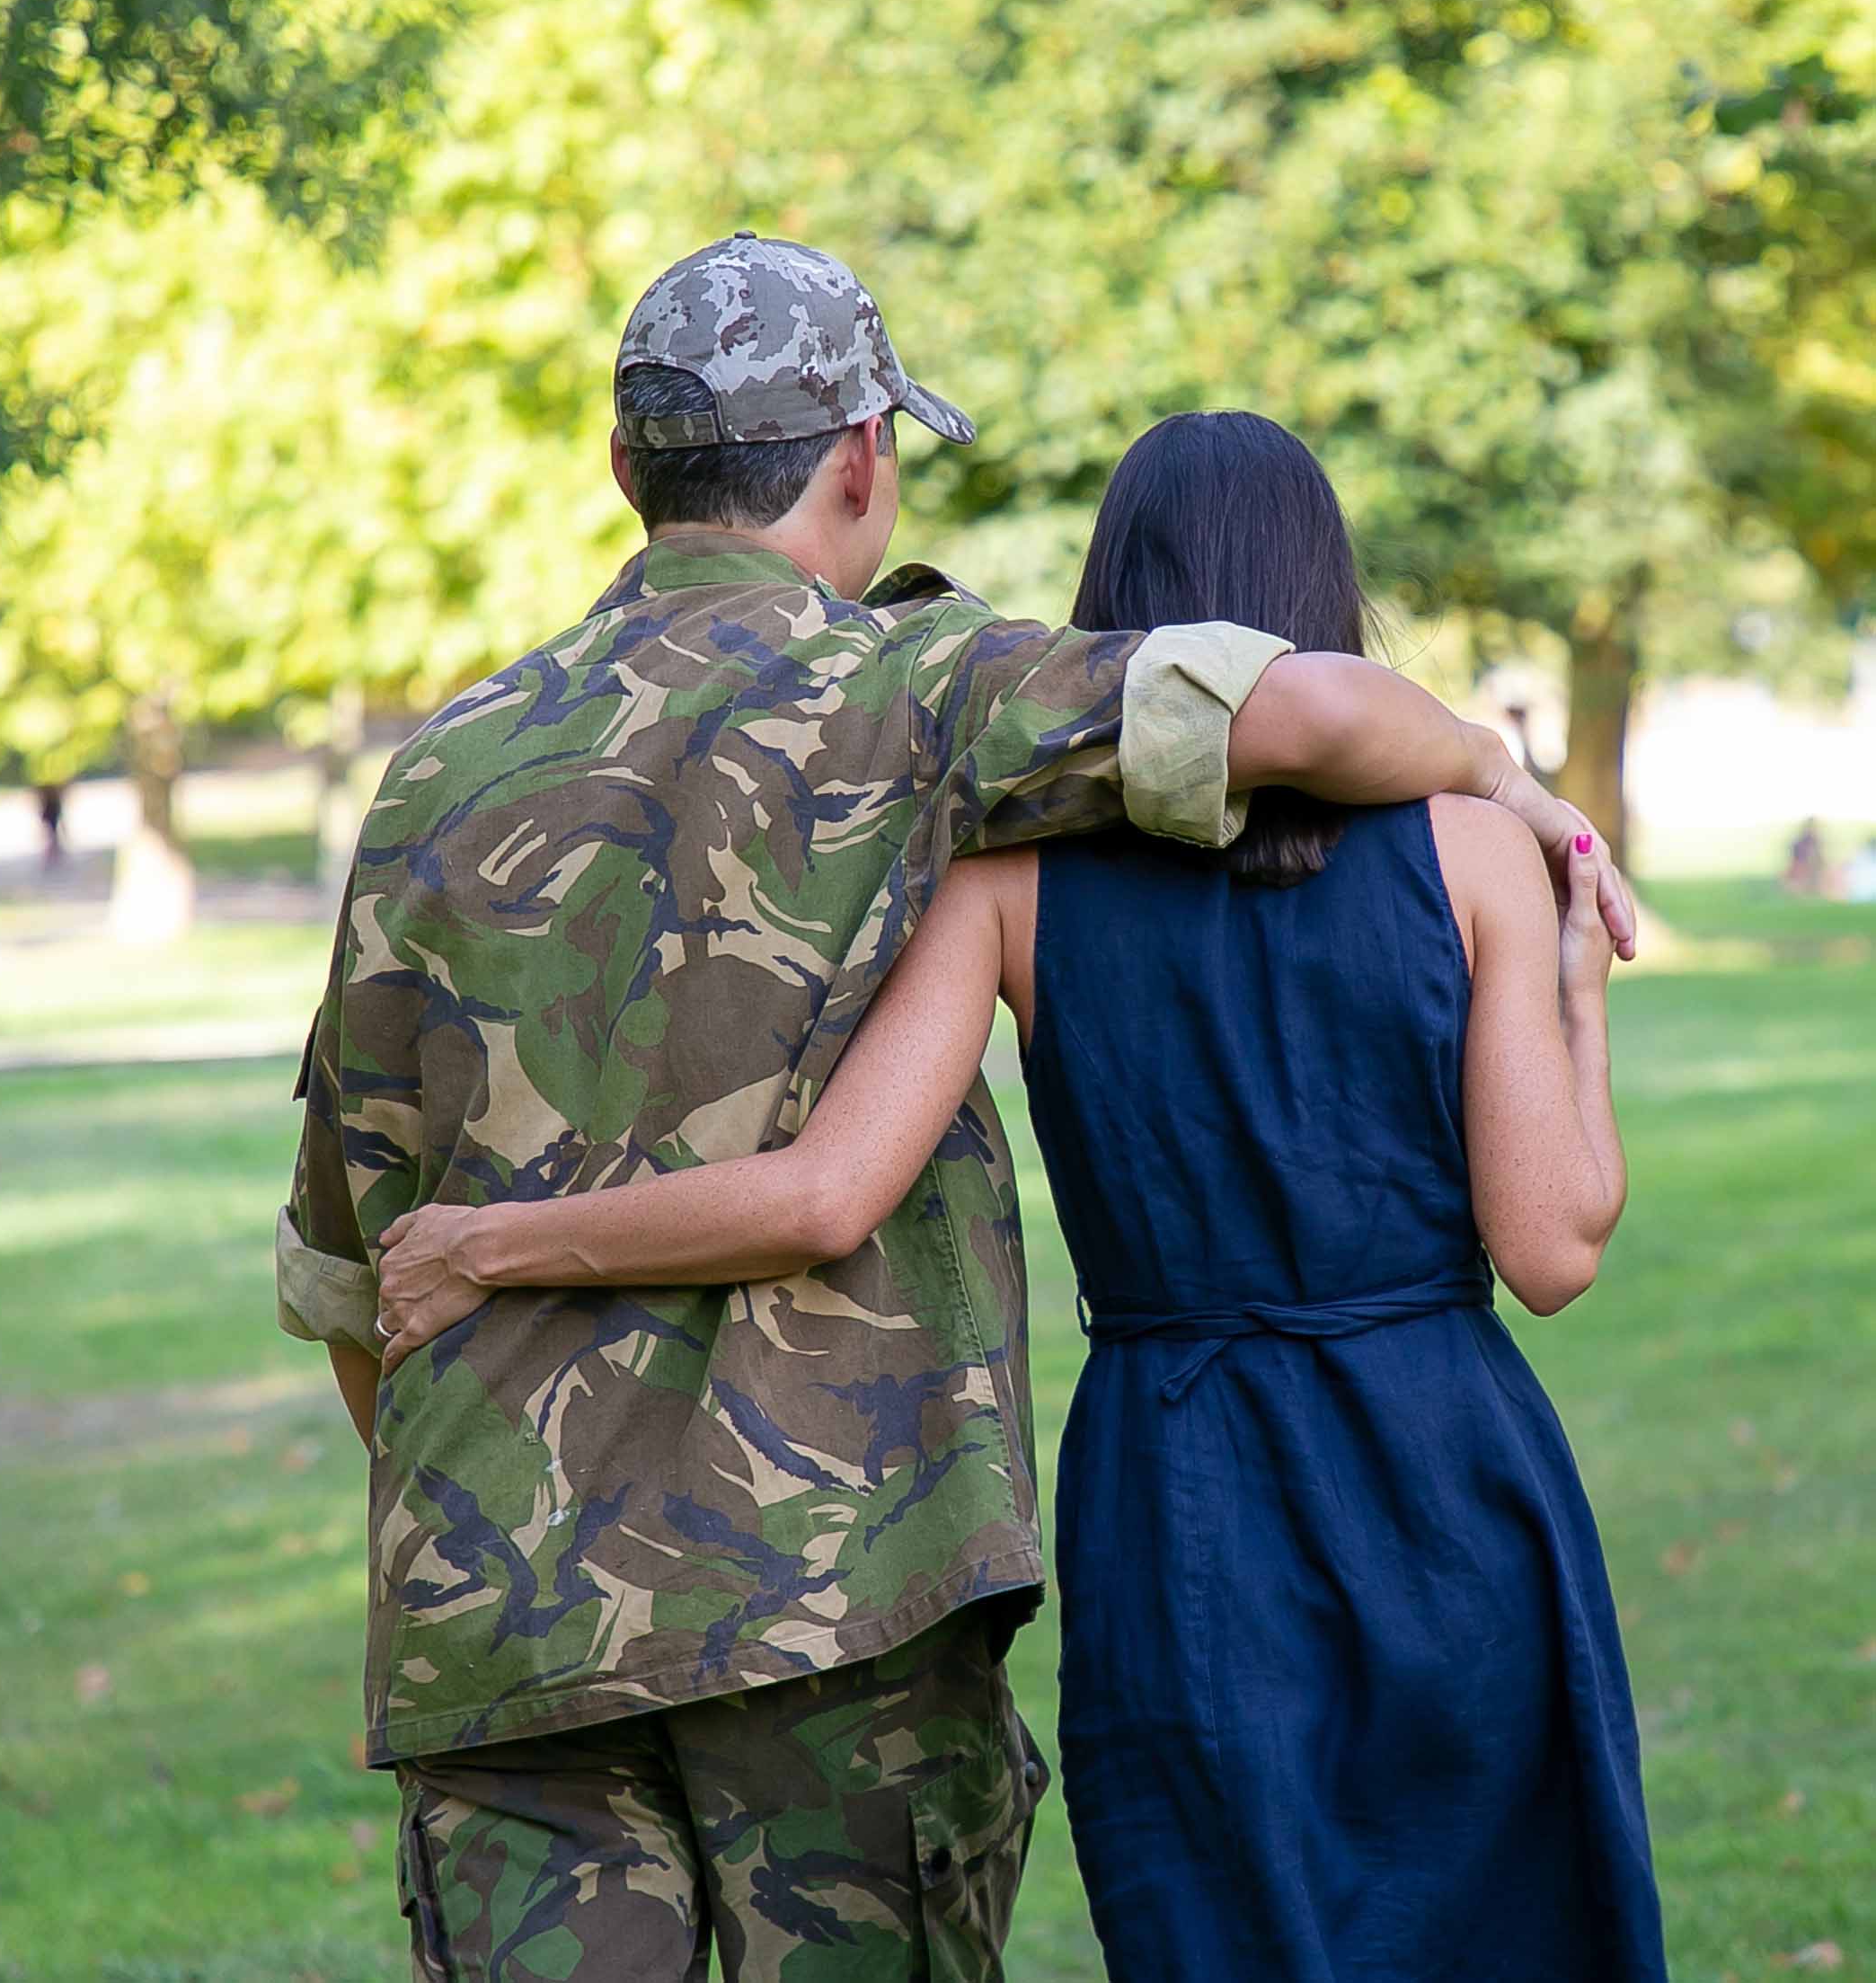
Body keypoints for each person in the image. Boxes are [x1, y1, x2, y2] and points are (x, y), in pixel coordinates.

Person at [280, 236, 1632, 1983]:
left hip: (531, 1609)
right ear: (859, 457)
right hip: (850, 1595)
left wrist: (502, 1472)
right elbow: (1297, 714)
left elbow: (344, 1267)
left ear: (627, 469)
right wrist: (1507, 780)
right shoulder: (932, 698)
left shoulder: (438, 769)